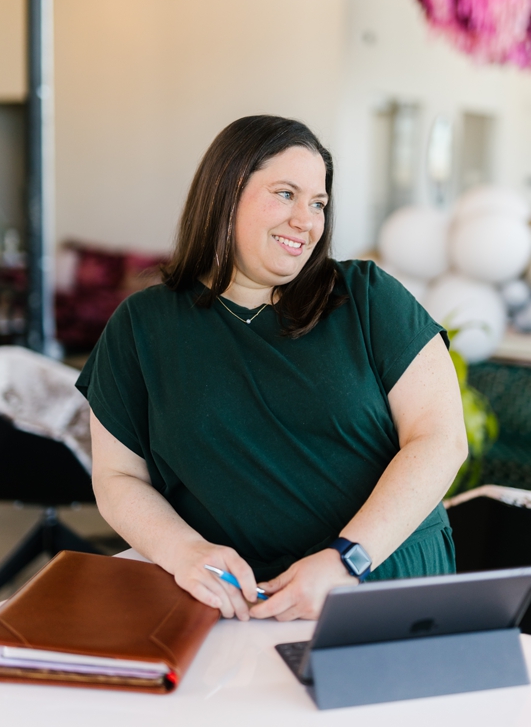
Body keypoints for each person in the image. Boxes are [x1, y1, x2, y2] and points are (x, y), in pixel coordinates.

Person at [76, 115, 467, 622]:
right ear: (226, 192)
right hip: (236, 600)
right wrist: (184, 552)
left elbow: (440, 439)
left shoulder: (367, 297)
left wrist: (346, 561)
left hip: (382, 576)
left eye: (318, 203)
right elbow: (117, 477)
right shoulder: (142, 325)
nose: (306, 219)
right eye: (285, 193)